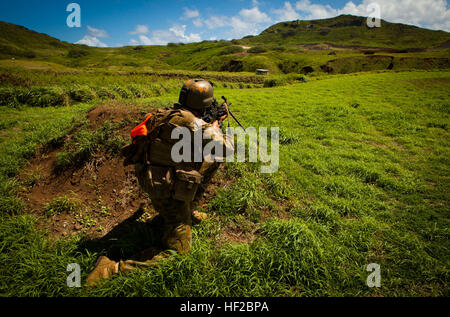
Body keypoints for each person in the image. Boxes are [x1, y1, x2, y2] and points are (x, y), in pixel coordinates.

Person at [86, 79, 233, 287]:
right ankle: (111, 268)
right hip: (168, 189)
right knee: (179, 254)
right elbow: (226, 148)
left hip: (155, 178)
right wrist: (216, 127)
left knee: (211, 160)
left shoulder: (167, 113)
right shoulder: (193, 122)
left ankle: (187, 210)